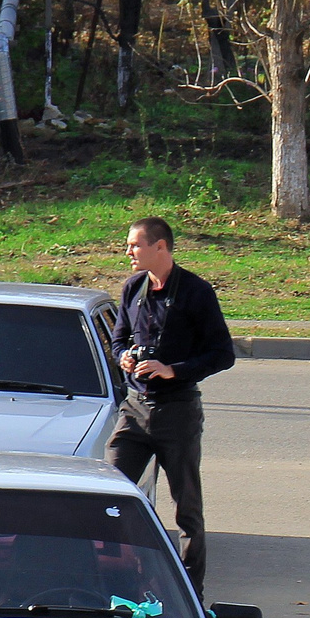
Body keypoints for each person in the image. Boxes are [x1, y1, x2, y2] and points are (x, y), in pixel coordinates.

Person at [108, 217, 237, 592]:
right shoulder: (133, 288)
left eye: (135, 245)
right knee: (111, 492)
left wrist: (172, 369)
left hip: (177, 411)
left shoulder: (196, 292)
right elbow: (117, 342)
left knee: (187, 508)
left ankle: (190, 590)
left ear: (160, 247)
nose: (128, 252)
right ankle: (123, 577)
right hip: (134, 410)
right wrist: (125, 359)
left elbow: (222, 354)